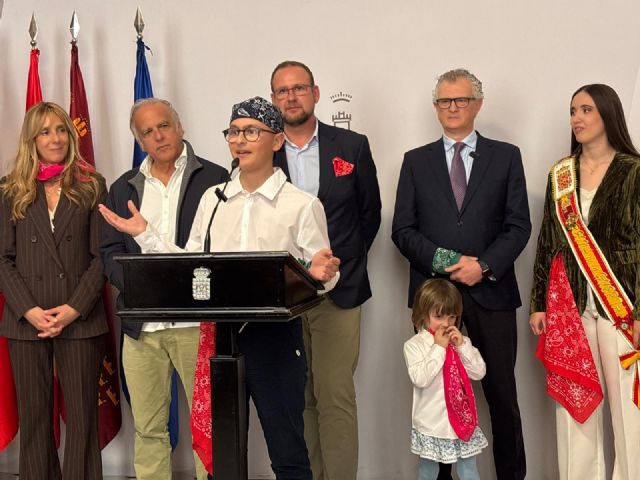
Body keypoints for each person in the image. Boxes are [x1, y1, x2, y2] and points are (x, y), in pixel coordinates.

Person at [99, 96, 340, 480]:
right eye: (233, 132)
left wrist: (322, 274)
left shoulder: (301, 204)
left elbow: (320, 275)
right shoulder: (214, 199)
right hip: (219, 340)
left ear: (277, 140)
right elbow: (189, 265)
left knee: (287, 450)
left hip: (275, 340)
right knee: (220, 452)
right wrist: (146, 234)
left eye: (251, 132)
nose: (239, 140)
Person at [391, 68, 530, 480]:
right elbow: (402, 229)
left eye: (461, 100)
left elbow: (518, 225)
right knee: (436, 393)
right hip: (434, 298)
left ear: (478, 104)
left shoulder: (506, 156)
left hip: (492, 293)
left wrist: (482, 266)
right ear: (436, 107)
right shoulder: (415, 161)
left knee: (502, 396)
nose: (452, 108)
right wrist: (446, 261)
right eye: (444, 101)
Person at [99, 98, 228, 480]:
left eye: (164, 126)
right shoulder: (123, 187)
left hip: (196, 325)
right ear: (140, 141)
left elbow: (221, 249)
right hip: (142, 326)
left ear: (180, 126)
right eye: (147, 132)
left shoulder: (216, 178)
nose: (158, 136)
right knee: (148, 428)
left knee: (209, 427)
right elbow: (109, 251)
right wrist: (142, 287)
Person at [270, 60, 382, 480]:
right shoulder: (263, 150)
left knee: (335, 395)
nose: (291, 97)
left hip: (339, 291)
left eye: (299, 88)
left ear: (315, 94)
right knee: (299, 397)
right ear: (274, 99)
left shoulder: (351, 146)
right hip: (284, 297)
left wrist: (339, 264)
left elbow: (369, 215)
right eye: (282, 91)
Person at [529, 84, 640, 480]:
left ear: (608, 114)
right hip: (571, 305)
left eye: (586, 109)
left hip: (622, 305)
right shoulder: (561, 174)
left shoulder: (634, 170)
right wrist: (538, 303)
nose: (576, 118)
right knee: (576, 408)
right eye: (573, 110)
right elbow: (548, 240)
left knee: (630, 411)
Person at [0, 102, 107, 480]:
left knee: (82, 418)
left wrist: (74, 308)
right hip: (25, 320)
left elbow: (102, 256)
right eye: (45, 131)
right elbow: (3, 258)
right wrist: (28, 310)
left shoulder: (92, 185)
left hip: (80, 317)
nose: (55, 138)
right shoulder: (10, 189)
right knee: (34, 417)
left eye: (61, 129)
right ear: (31, 139)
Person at [404, 279, 487, 480]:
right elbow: (420, 378)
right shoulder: (415, 345)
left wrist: (462, 346)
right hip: (432, 422)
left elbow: (479, 372)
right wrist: (439, 348)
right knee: (428, 471)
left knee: (468, 469)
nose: (446, 323)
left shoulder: (461, 343)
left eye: (452, 317)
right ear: (423, 314)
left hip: (462, 420)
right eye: (438, 316)